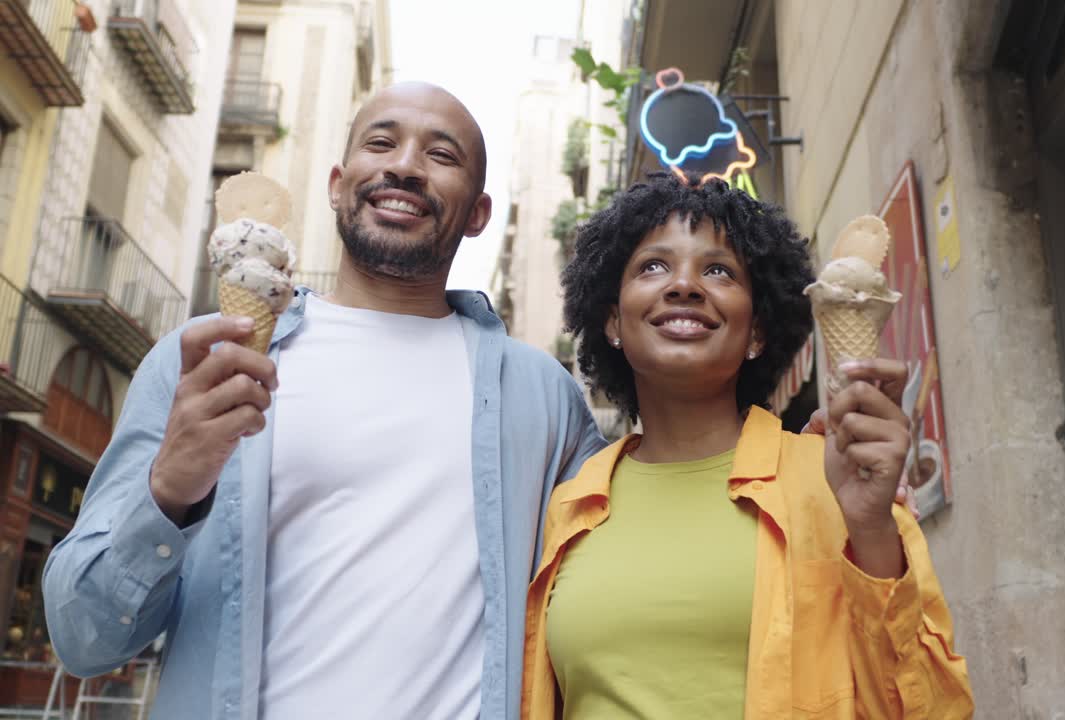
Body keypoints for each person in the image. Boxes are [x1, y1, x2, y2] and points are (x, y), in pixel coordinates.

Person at [42, 82, 608, 720]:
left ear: (478, 214)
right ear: (338, 184)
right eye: (382, 143)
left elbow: (614, 610)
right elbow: (82, 638)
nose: (404, 165)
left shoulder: (544, 398)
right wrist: (170, 488)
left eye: (442, 155)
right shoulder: (201, 361)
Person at [522, 173, 975, 718]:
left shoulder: (836, 480)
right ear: (613, 319)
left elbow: (931, 710)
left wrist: (872, 528)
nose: (684, 285)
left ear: (758, 331)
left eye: (718, 270)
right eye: (653, 266)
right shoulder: (566, 510)